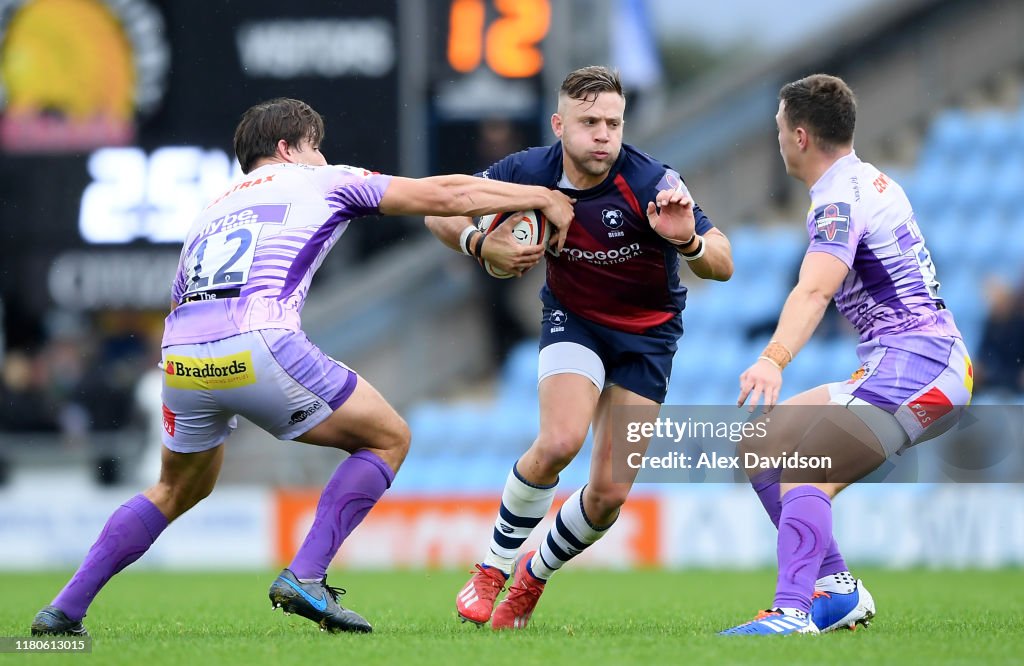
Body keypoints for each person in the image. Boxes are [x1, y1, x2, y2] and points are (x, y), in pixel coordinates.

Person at [30, 97, 574, 636]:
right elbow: (447, 193)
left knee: (175, 489)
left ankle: (62, 610)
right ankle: (307, 576)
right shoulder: (321, 179)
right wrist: (541, 195)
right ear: (288, 148)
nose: (324, 156)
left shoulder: (210, 210)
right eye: (316, 146)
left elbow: (180, 298)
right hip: (259, 342)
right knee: (387, 438)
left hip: (182, 359)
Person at [425, 66, 734, 630]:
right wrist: (479, 242)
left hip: (647, 338)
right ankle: (492, 569)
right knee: (560, 440)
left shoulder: (650, 183)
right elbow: (438, 210)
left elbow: (724, 262)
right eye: (589, 121)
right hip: (576, 321)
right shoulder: (526, 172)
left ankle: (531, 578)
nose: (603, 134)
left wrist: (687, 239)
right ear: (559, 124)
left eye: (613, 123)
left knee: (609, 494)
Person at [720, 74, 973, 636]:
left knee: (809, 468)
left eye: (780, 128)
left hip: (923, 362)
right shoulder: (867, 182)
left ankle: (792, 612)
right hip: (904, 358)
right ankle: (835, 590)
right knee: (762, 445)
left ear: (801, 136)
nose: (778, 139)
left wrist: (774, 357)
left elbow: (815, 289)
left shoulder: (838, 200)